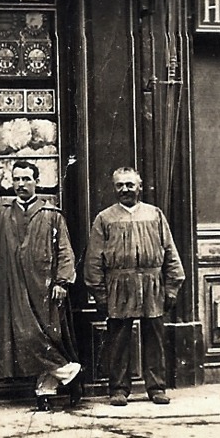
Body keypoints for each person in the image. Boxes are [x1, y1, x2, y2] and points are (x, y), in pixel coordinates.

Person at [0, 160, 81, 410]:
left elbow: (66, 251)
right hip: (14, 286)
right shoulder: (1, 213)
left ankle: (46, 392)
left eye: (26, 179)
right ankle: (70, 375)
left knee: (46, 336)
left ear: (37, 182)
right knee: (28, 336)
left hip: (45, 288)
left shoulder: (51, 215)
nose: (21, 184)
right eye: (17, 179)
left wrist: (62, 282)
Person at [84, 168, 186, 406]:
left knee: (155, 336)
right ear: (114, 188)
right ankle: (118, 388)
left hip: (152, 283)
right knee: (118, 338)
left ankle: (156, 387)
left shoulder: (155, 215)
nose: (125, 189)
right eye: (120, 185)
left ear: (140, 186)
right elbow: (93, 259)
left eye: (130, 184)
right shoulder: (105, 218)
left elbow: (170, 251)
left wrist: (171, 287)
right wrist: (100, 293)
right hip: (119, 284)